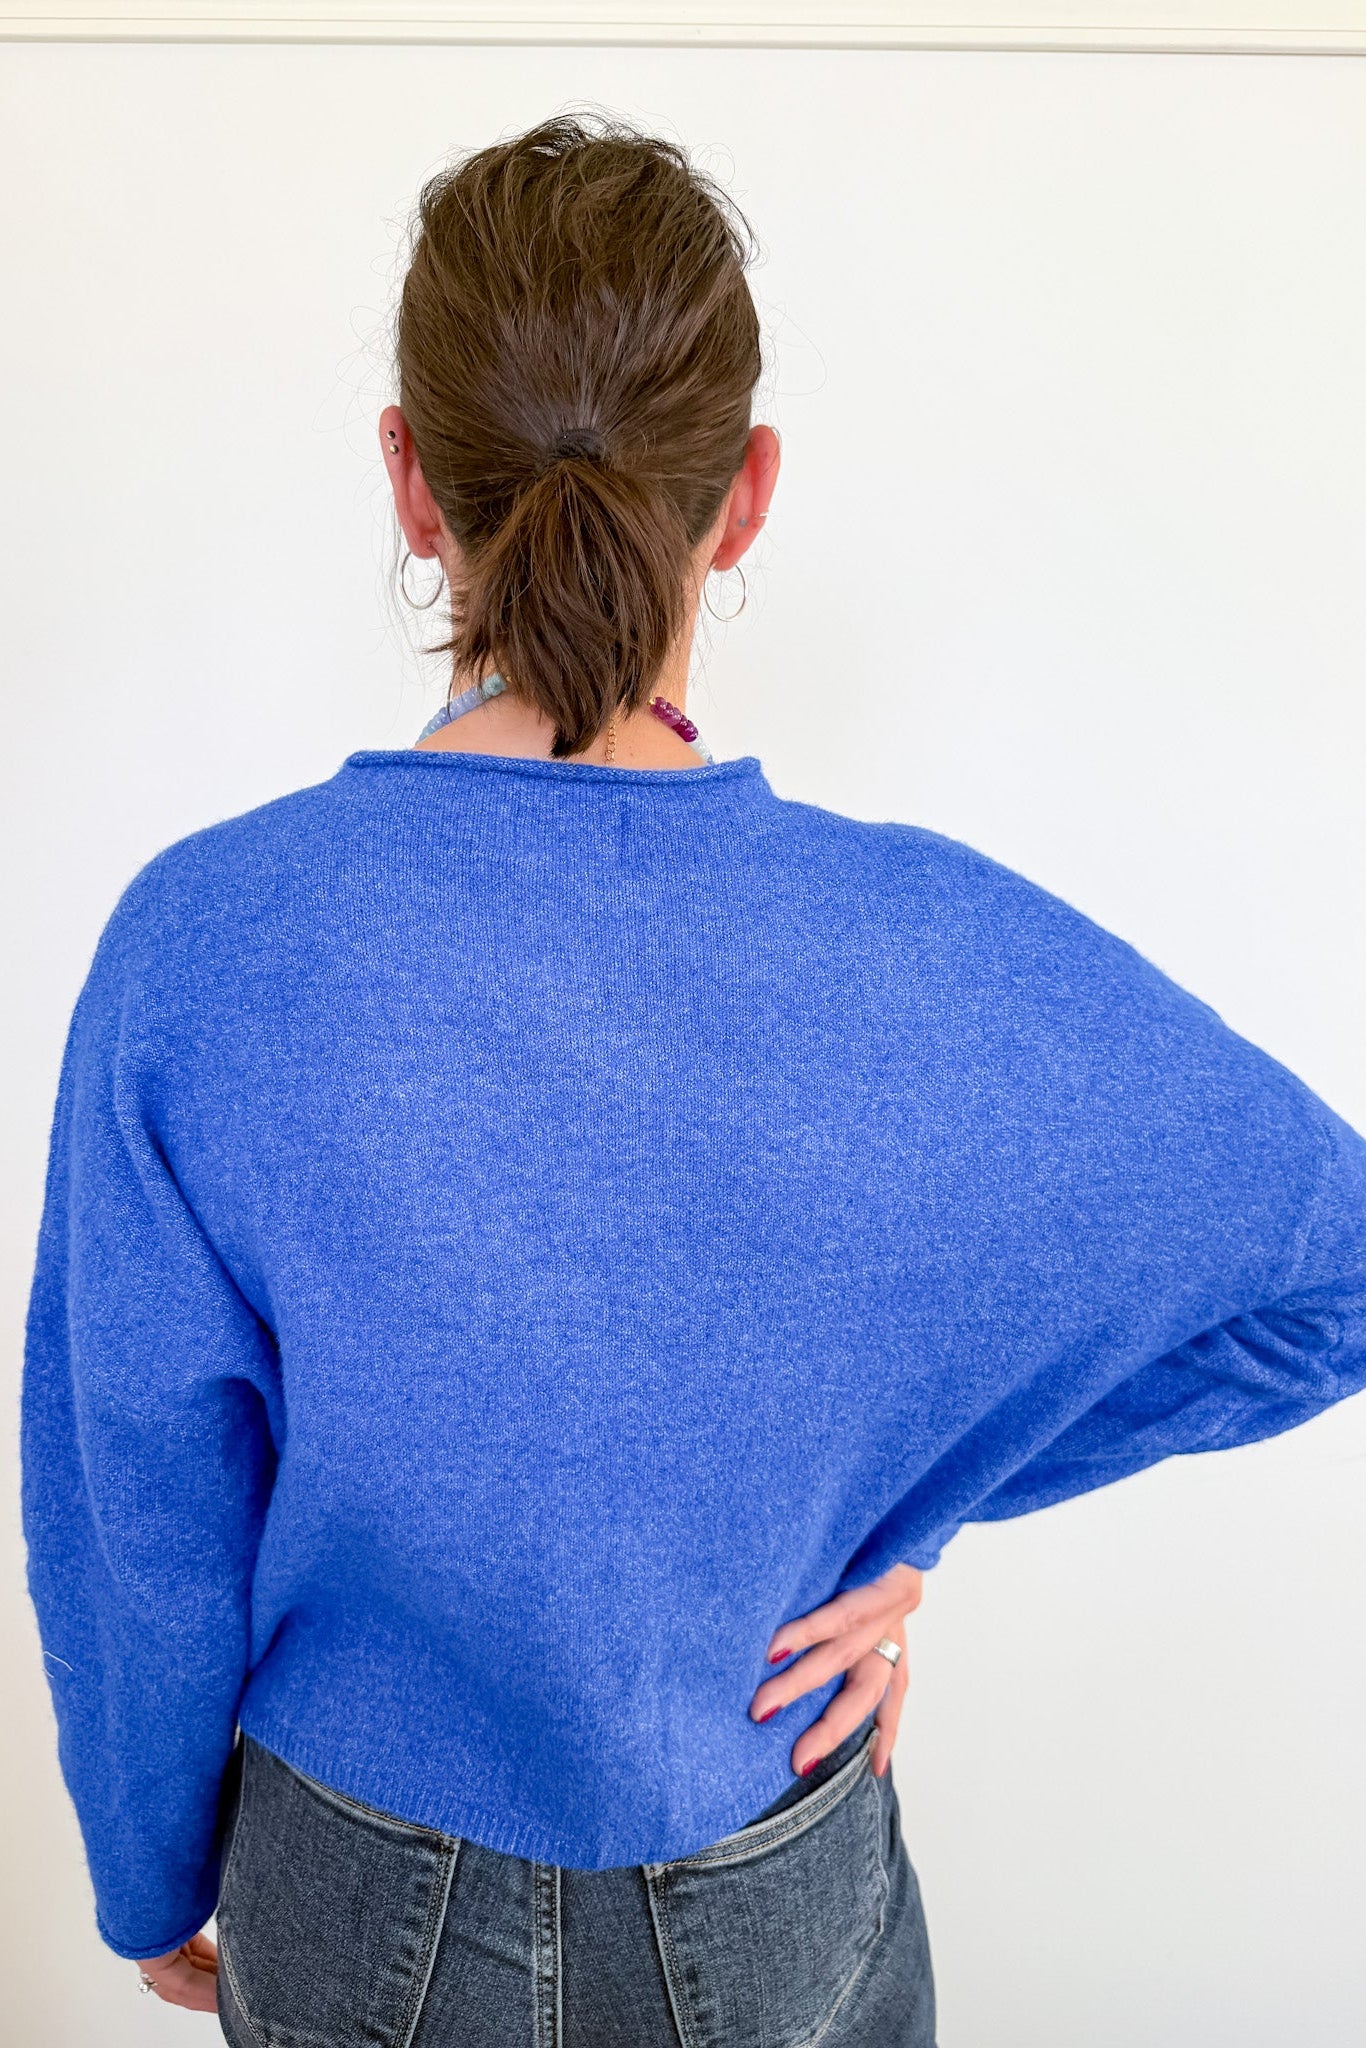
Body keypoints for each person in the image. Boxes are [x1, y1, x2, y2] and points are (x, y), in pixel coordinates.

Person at [20, 111, 1366, 2048]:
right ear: (741, 498)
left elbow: (132, 1487)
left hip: (353, 1868)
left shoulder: (215, 933)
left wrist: (148, 1865)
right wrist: (894, 1528)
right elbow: (1325, 1268)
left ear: (410, 479)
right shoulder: (941, 937)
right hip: (764, 1840)